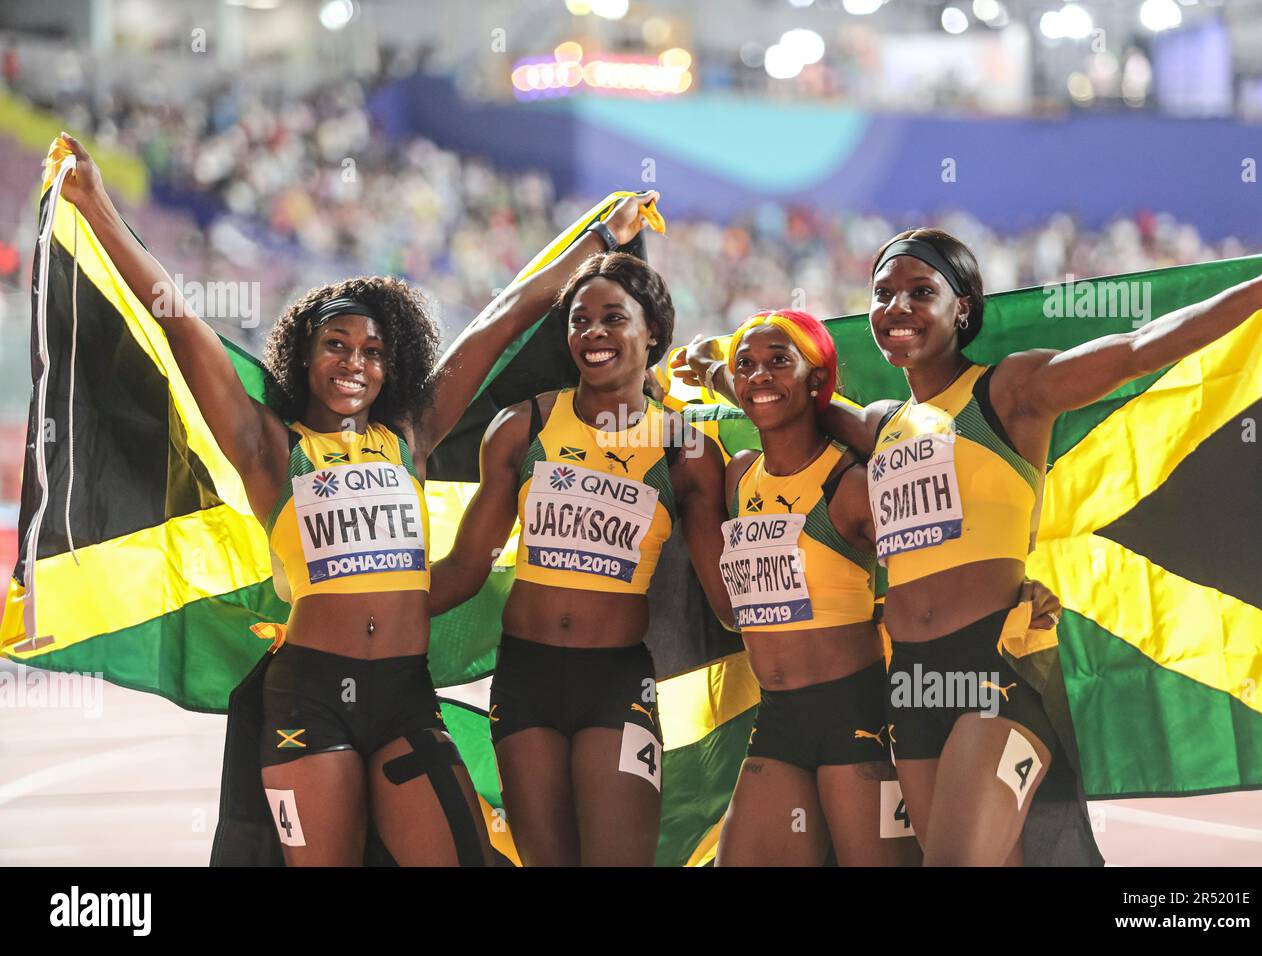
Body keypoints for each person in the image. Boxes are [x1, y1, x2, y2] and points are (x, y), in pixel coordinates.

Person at [55, 131, 662, 865]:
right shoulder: (269, 448)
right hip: (306, 699)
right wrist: (95, 204)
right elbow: (179, 321)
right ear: (304, 357)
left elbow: (503, 317)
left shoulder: (411, 433)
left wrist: (601, 237)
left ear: (391, 366)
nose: (355, 362)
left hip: (404, 696)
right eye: (337, 345)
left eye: (373, 351)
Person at [677, 310, 1062, 866]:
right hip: (778, 718)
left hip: (857, 718)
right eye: (747, 366)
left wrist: (1016, 589)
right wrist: (706, 364)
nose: (759, 375)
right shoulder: (739, 476)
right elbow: (754, 391)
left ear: (816, 380)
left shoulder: (853, 485)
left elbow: (937, 554)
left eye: (779, 362)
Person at [428, 250, 733, 866]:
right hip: (524, 681)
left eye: (613, 318)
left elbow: (729, 598)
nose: (592, 332)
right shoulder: (523, 427)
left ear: (652, 333)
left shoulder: (686, 452)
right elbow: (465, 567)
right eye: (578, 319)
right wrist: (352, 609)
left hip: (616, 684)